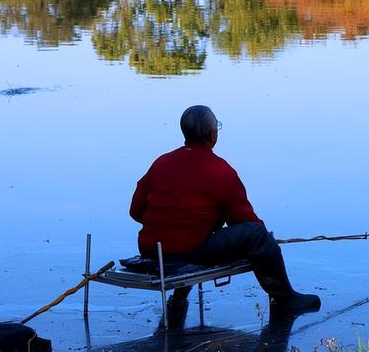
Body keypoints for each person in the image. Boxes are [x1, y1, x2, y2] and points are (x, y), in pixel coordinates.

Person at [130, 105, 320, 313]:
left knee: (202, 229)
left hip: (150, 250)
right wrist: (267, 240)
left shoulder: (161, 163)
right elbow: (243, 219)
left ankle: (179, 297)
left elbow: (136, 211)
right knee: (256, 234)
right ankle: (286, 300)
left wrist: (171, 225)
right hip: (186, 253)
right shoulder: (220, 169)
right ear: (212, 134)